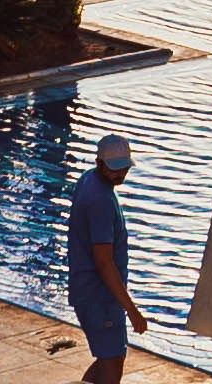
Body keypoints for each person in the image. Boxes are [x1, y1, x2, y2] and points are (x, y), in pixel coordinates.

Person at [67, 132, 146, 384]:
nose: (120, 174)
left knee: (107, 360)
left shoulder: (89, 180)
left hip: (89, 292)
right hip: (99, 297)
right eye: (114, 169)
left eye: (124, 168)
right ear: (98, 162)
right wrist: (132, 311)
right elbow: (103, 262)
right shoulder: (100, 200)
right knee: (111, 364)